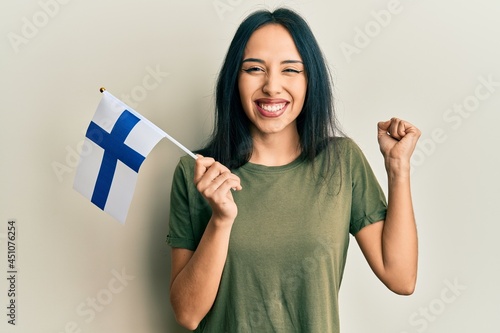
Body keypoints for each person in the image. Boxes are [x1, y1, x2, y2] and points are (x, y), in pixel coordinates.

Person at [167, 7, 420, 333]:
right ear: (234, 80)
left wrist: (397, 168)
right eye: (254, 68)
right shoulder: (198, 172)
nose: (272, 86)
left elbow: (401, 277)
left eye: (290, 70)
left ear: (310, 79)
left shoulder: (341, 162)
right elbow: (187, 315)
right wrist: (220, 220)